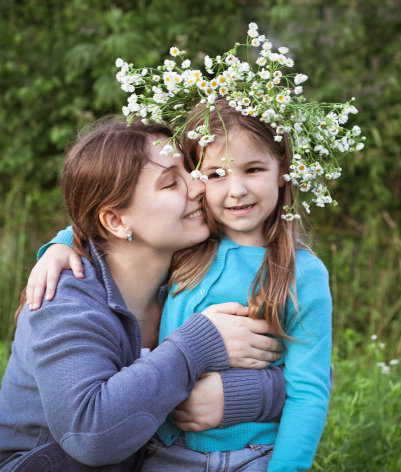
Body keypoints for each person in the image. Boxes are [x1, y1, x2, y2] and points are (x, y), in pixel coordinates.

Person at [27, 23, 364, 471]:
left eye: (253, 170)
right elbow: (116, 220)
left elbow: (310, 387)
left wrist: (245, 407)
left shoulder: (291, 270)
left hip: (254, 457)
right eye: (215, 174)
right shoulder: (189, 253)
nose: (234, 191)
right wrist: (63, 241)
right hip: (162, 455)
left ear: (283, 169)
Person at [0, 119, 287, 472]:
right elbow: (90, 437)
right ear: (117, 222)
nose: (199, 186)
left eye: (191, 169)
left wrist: (237, 397)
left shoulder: (197, 267)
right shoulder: (66, 297)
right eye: (171, 183)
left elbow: (304, 370)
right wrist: (196, 346)